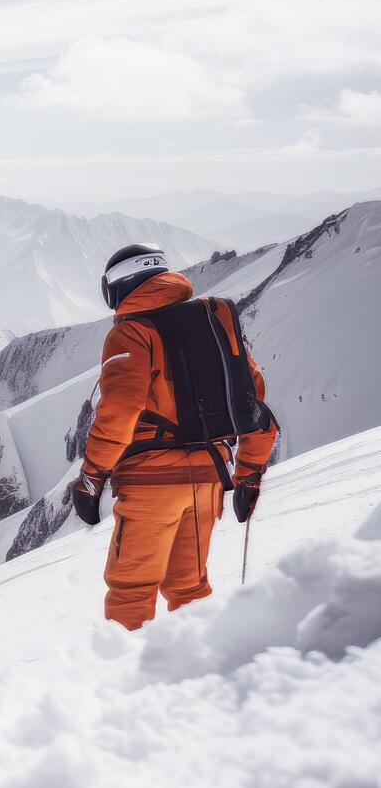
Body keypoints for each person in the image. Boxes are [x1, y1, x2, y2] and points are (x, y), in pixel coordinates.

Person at [70, 243, 278, 631]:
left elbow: (119, 414)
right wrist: (249, 476)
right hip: (208, 481)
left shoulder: (131, 333)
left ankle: (125, 685)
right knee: (189, 587)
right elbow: (255, 404)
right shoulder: (214, 325)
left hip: (152, 485)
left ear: (117, 287)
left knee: (130, 593)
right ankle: (195, 670)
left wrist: (91, 478)